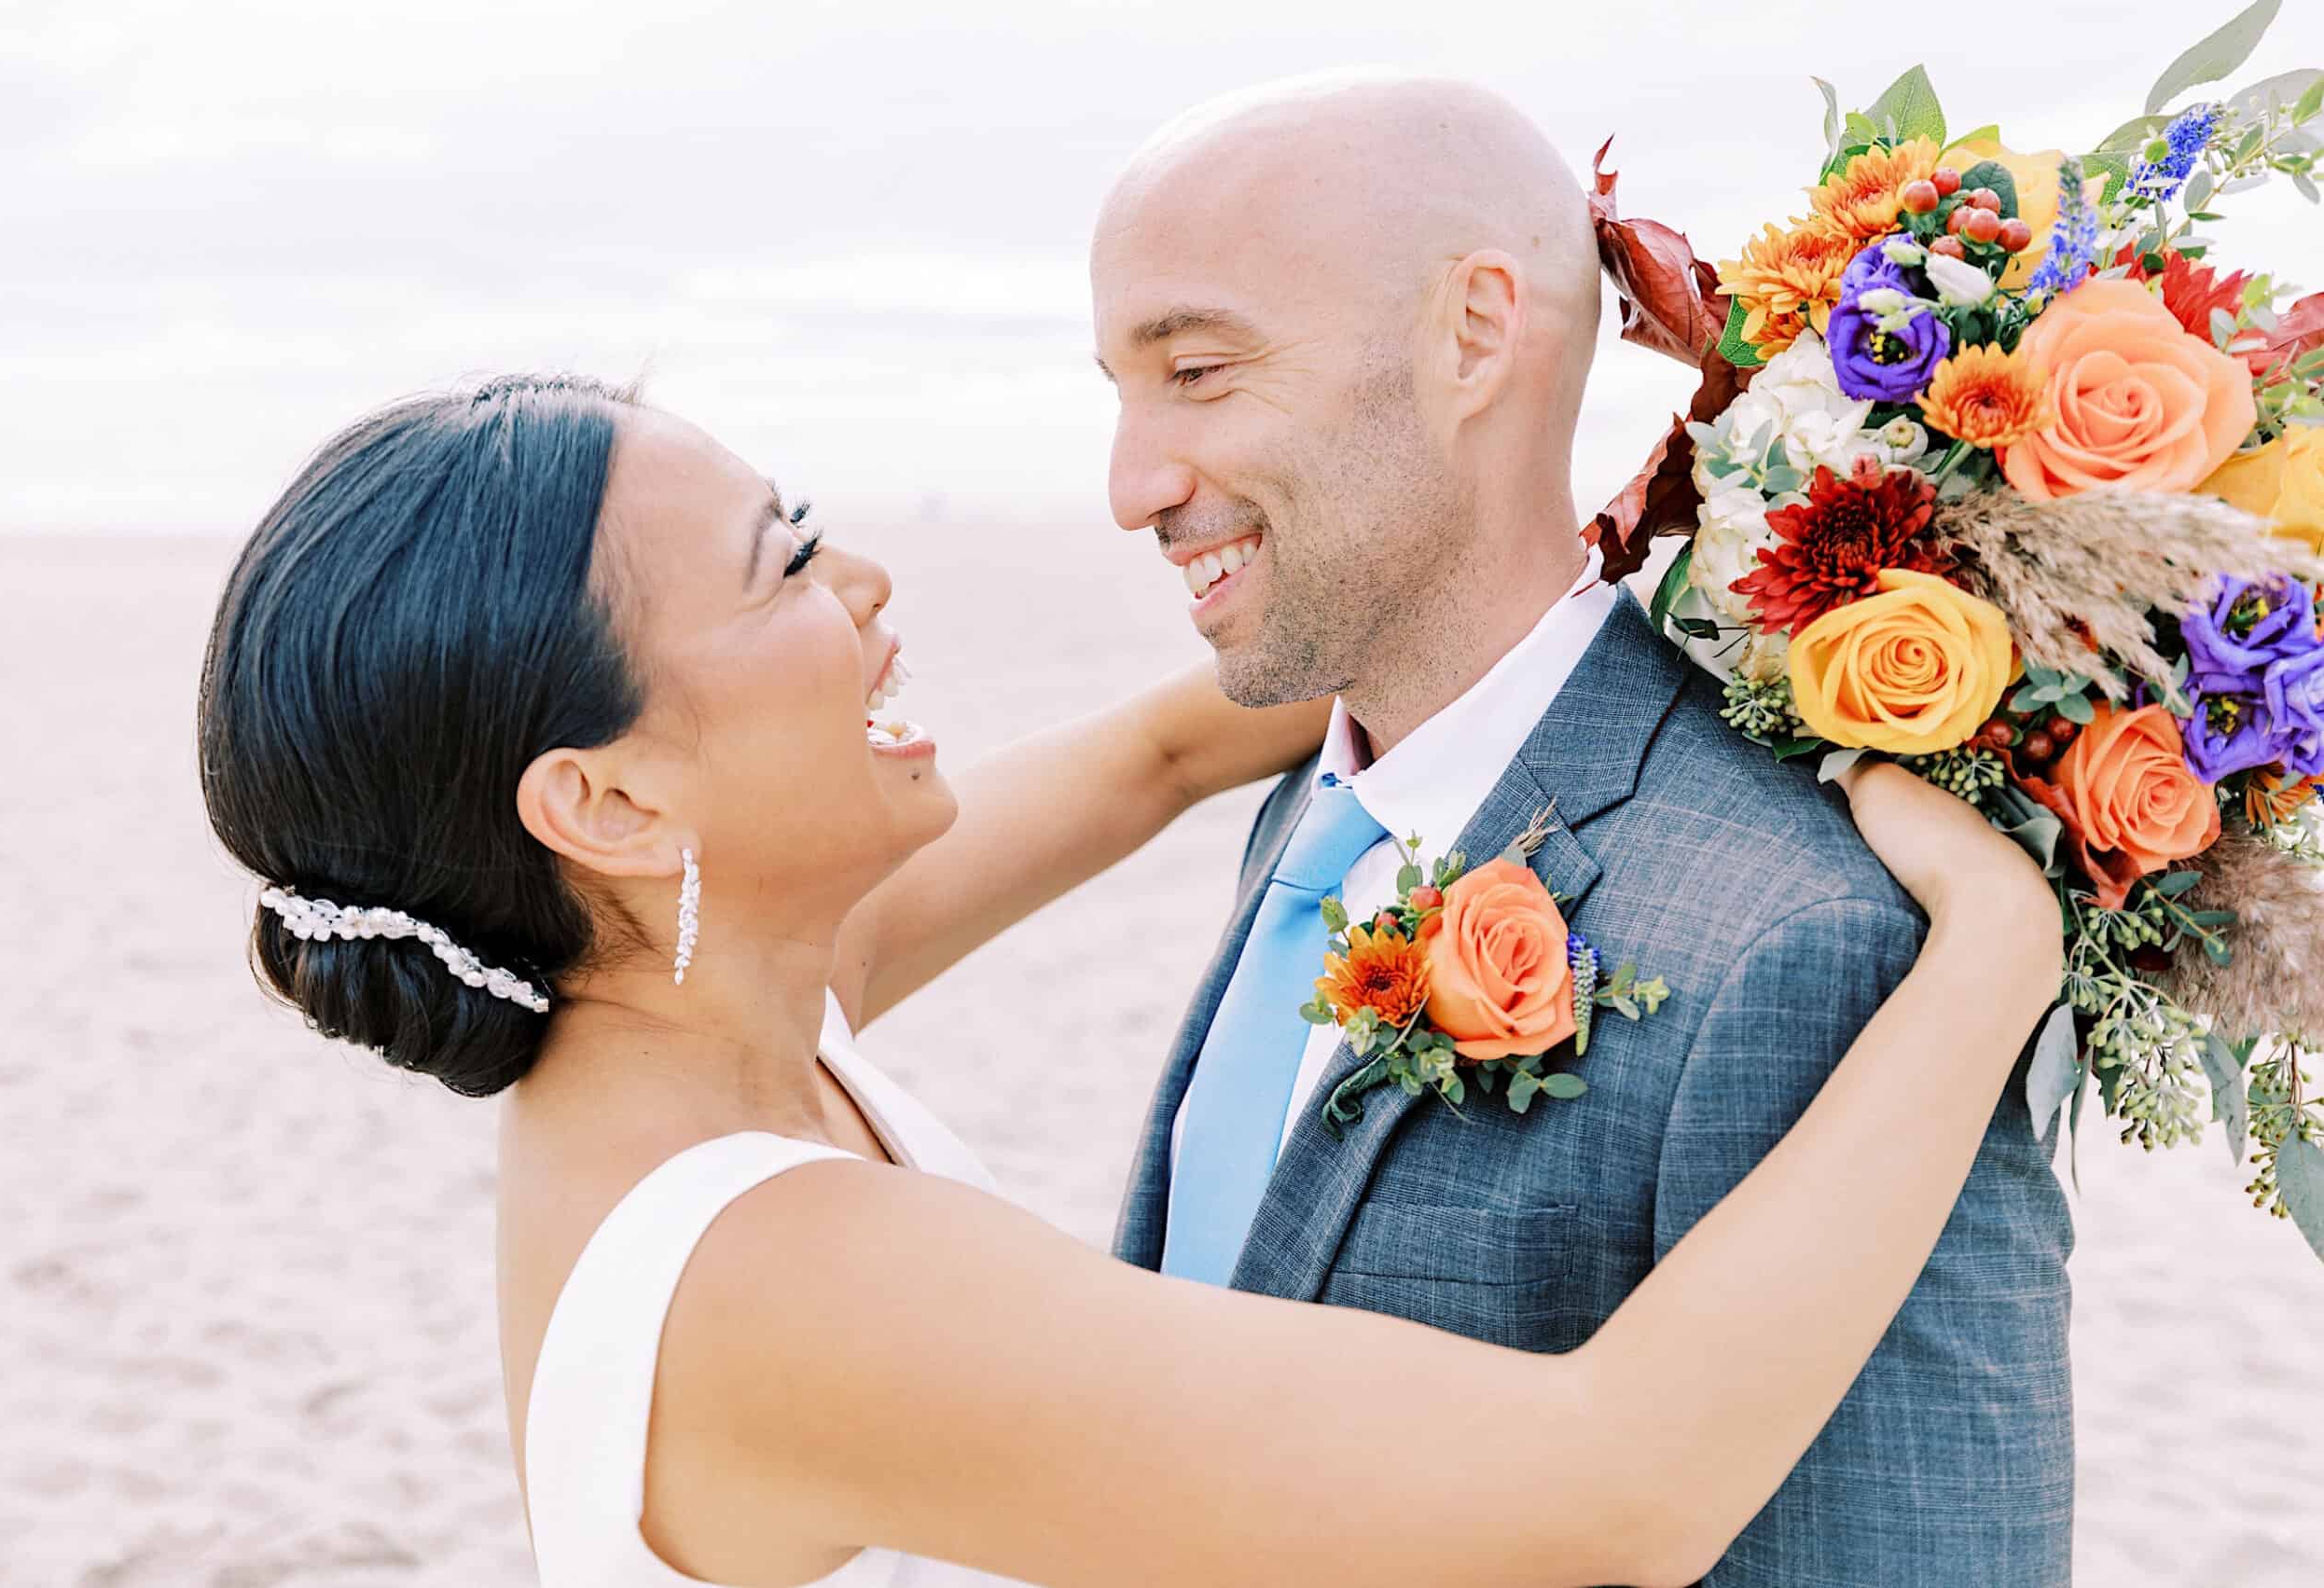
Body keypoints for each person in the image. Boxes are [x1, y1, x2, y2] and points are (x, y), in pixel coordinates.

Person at [198, 375, 2060, 1587]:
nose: (859, 579)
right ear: (601, 797)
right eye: (778, 569)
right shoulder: (786, 1280)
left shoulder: (676, 1013)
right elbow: (1625, 1478)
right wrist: (1988, 954)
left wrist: (1567, 542)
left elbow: (1159, 758)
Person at [1092, 74, 2073, 1584]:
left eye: (1202, 372)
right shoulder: (1310, 812)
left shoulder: (1816, 943)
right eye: (1120, 389)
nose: (1129, 485)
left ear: (1476, 332)